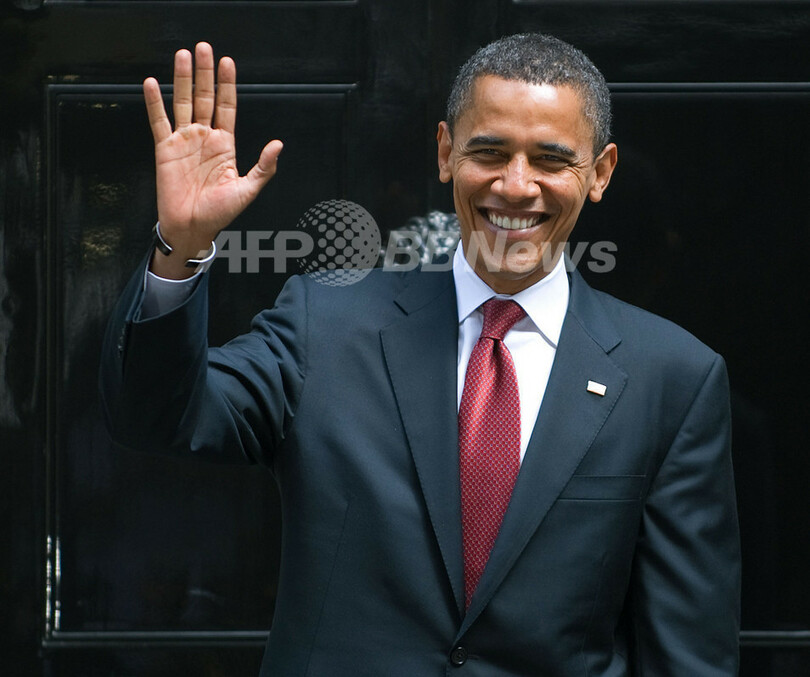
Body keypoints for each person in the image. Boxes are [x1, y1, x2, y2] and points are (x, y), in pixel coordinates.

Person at [100, 34, 741, 676]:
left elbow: (688, 652)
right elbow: (156, 417)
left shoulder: (671, 379)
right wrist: (180, 246)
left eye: (551, 159)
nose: (516, 186)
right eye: (489, 152)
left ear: (599, 173)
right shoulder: (326, 324)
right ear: (445, 152)